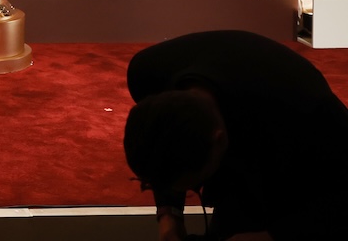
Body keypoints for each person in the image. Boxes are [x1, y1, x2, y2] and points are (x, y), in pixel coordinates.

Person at [124, 30, 348, 240]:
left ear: (220, 140)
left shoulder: (308, 113)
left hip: (302, 168)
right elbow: (164, 146)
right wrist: (169, 217)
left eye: (193, 185)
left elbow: (336, 195)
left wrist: (270, 235)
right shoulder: (147, 73)